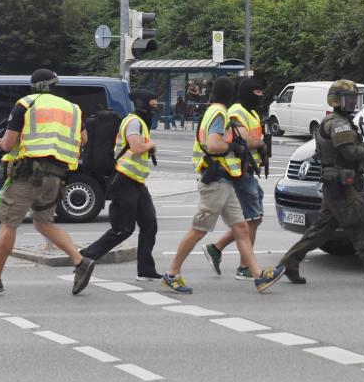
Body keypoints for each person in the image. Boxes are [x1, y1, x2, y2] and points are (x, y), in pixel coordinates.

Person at [0, 69, 95, 296]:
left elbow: (8, 144)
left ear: (35, 86)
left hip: (29, 175)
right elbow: (83, 139)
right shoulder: (73, 109)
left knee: (9, 223)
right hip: (57, 176)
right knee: (43, 223)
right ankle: (80, 261)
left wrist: (1, 143)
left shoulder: (26, 104)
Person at [162, 77, 284, 294]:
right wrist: (233, 147)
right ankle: (172, 274)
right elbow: (214, 144)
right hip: (215, 181)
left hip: (224, 179)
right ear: (229, 94)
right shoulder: (219, 113)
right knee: (199, 229)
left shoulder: (215, 111)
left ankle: (259, 276)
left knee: (241, 228)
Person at [279, 80, 364, 288]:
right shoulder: (339, 124)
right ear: (336, 100)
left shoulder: (341, 121)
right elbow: (349, 152)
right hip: (342, 187)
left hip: (336, 185)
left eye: (354, 98)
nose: (353, 102)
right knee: (363, 229)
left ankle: (289, 262)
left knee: (320, 231)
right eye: (348, 98)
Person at [81, 88, 161, 281]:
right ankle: (86, 257)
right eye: (153, 104)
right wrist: (150, 145)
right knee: (123, 229)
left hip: (137, 182)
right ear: (142, 104)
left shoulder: (140, 122)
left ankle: (146, 270)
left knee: (149, 224)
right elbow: (136, 147)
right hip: (124, 180)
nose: (155, 107)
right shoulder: (133, 121)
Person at [204, 77, 267, 280]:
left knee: (250, 220)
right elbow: (245, 140)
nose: (260, 96)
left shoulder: (252, 112)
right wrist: (260, 144)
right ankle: (244, 267)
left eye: (261, 92)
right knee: (252, 218)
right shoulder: (236, 112)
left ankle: (216, 248)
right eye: (256, 92)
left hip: (247, 170)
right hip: (239, 171)